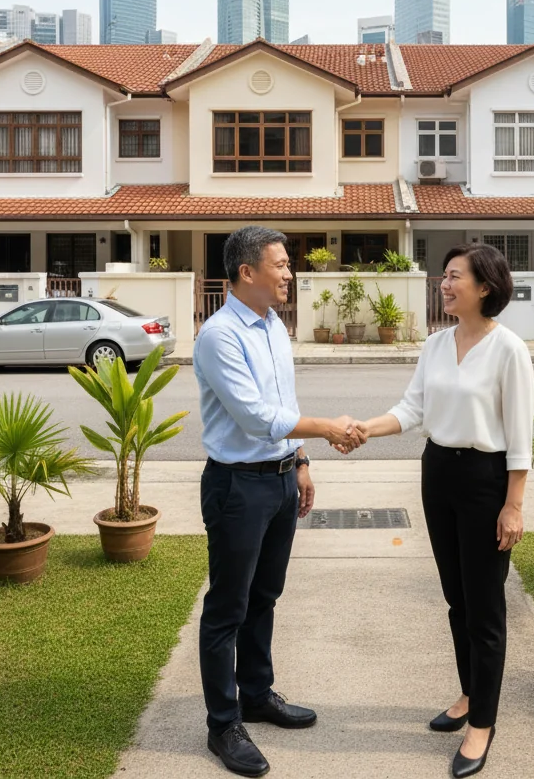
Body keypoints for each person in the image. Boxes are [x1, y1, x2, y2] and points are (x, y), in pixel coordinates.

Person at [355, 243, 533, 778]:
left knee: (485, 608)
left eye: (456, 277)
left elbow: (521, 436)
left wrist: (513, 505)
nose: (445, 283)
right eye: (445, 276)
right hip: (439, 475)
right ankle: (468, 691)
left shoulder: (509, 350)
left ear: (485, 287)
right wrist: (364, 428)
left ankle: (483, 722)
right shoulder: (435, 344)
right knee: (456, 599)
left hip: (486, 480)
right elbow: (412, 409)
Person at [194, 225, 365, 777]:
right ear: (247, 272)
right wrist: (326, 429)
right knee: (228, 607)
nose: (290, 273)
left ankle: (257, 694)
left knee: (265, 595)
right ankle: (224, 723)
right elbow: (254, 417)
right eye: (281, 264)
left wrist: (303, 462)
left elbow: (282, 402)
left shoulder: (272, 327)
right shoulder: (220, 335)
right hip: (237, 486)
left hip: (281, 480)